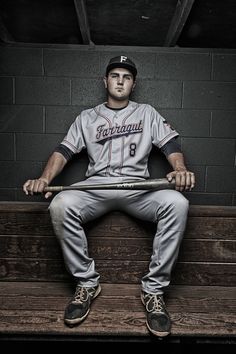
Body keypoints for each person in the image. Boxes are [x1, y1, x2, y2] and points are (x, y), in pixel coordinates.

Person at [23, 55, 195, 337]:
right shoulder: (86, 117)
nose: (120, 81)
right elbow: (63, 151)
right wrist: (44, 179)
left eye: (126, 77)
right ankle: (87, 282)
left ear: (133, 84)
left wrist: (180, 169)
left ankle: (153, 291)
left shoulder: (147, 113)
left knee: (177, 203)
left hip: (138, 187)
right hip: (97, 187)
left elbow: (170, 144)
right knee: (60, 204)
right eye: (115, 75)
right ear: (105, 81)